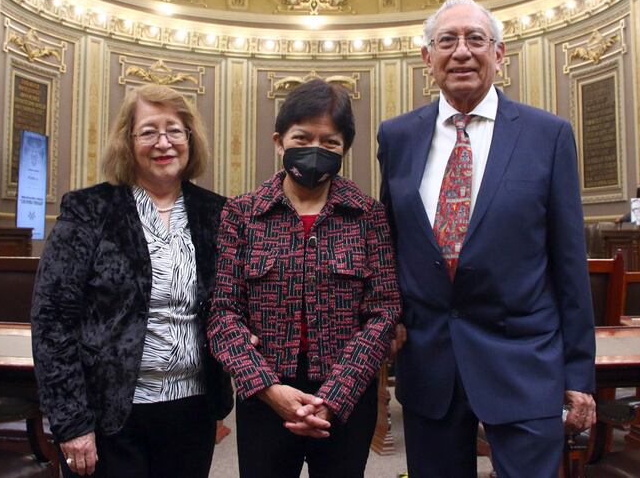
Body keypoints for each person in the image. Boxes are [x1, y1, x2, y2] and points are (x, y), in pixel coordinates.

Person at [376, 0, 596, 478]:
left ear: (499, 55)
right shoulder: (396, 137)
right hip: (431, 363)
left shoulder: (548, 135)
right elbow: (391, 243)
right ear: (426, 57)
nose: (461, 52)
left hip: (523, 361)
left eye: (476, 39)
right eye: (447, 40)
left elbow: (568, 262)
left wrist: (579, 374)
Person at [31, 84, 233, 477]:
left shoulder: (217, 213)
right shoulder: (90, 209)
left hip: (191, 409)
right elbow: (52, 319)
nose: (164, 143)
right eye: (149, 131)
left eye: (175, 130)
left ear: (190, 139)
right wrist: (72, 422)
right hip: (110, 414)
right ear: (128, 140)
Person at [208, 79, 400, 478]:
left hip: (346, 396)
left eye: (329, 142)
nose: (315, 149)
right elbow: (222, 313)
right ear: (280, 142)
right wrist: (268, 388)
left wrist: (334, 395)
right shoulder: (242, 214)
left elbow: (384, 312)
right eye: (302, 137)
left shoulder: (368, 215)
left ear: (345, 147)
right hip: (265, 397)